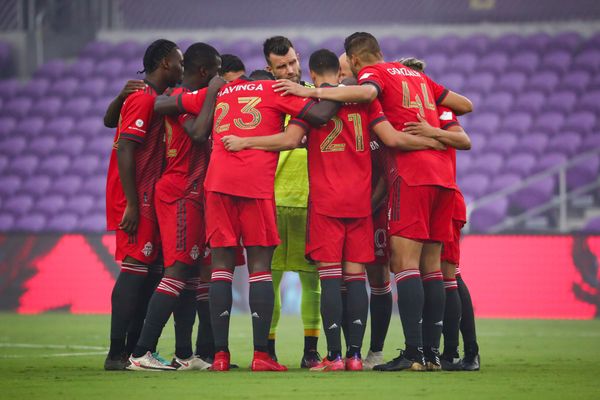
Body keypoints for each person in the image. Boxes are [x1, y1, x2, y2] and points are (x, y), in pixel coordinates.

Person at [222, 49, 446, 371]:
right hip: (359, 203)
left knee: (328, 279)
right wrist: (437, 141)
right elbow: (390, 138)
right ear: (340, 76)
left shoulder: (309, 103)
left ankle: (335, 356)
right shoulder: (365, 104)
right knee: (356, 279)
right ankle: (356, 356)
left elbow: (288, 140)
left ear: (311, 75)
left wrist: (246, 143)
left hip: (325, 201)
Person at [274, 32, 472, 371]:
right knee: (434, 271)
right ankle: (426, 354)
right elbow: (462, 111)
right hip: (418, 189)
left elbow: (295, 137)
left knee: (385, 269)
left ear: (352, 62)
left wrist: (309, 94)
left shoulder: (359, 87)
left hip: (362, 192)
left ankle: (364, 355)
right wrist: (438, 139)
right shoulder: (412, 84)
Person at [192, 69, 339, 372]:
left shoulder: (225, 92)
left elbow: (197, 129)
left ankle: (220, 356)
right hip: (254, 182)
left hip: (216, 181)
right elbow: (321, 114)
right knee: (261, 269)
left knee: (221, 268)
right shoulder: (275, 91)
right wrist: (334, 89)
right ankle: (261, 355)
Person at [126, 43, 221, 371]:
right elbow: (197, 133)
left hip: (193, 194)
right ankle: (141, 352)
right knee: (177, 271)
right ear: (206, 72)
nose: (220, 77)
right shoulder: (181, 99)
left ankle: (183, 354)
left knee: (190, 275)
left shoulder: (187, 98)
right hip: (180, 193)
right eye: (217, 70)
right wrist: (213, 93)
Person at [103, 39, 183, 370]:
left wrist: (120, 98)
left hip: (148, 195)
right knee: (135, 271)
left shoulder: (148, 98)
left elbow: (110, 122)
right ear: (165, 63)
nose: (181, 67)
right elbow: (124, 148)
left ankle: (135, 349)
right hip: (138, 196)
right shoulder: (143, 98)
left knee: (150, 272)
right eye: (179, 61)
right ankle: (116, 352)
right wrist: (133, 205)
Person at [399, 57, 479, 371]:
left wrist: (431, 131)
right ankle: (445, 352)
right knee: (439, 274)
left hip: (443, 196)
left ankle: (465, 351)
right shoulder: (411, 113)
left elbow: (464, 139)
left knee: (448, 274)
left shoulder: (439, 109)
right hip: (429, 194)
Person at [263, 36, 322, 368]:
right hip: (272, 202)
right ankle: (267, 350)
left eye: (291, 63)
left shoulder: (317, 97)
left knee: (312, 284)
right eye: (280, 66)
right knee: (269, 282)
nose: (288, 70)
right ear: (270, 69)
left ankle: (310, 351)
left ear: (299, 58)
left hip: (310, 201)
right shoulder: (265, 99)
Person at [339, 52, 393, 370]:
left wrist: (368, 206)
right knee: (345, 279)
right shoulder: (336, 112)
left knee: (377, 278)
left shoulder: (376, 113)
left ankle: (375, 351)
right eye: (344, 73)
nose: (349, 79)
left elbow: (387, 174)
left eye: (351, 72)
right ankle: (350, 351)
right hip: (345, 210)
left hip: (373, 209)